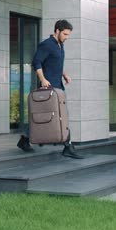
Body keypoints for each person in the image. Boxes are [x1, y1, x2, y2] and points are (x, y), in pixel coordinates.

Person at [17, 19, 84, 159]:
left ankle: (24, 140)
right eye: (65, 34)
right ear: (57, 31)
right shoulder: (46, 45)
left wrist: (64, 74)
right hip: (48, 88)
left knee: (55, 114)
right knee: (53, 115)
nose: (67, 37)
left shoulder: (60, 44)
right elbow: (37, 62)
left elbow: (55, 63)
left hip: (58, 86)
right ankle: (68, 146)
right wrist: (43, 79)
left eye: (68, 35)